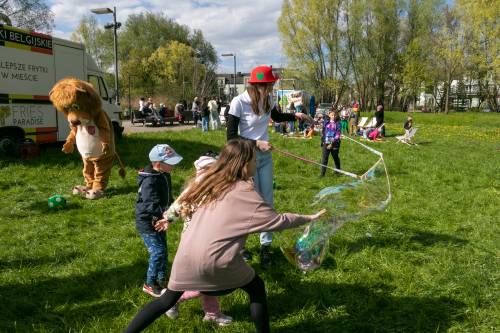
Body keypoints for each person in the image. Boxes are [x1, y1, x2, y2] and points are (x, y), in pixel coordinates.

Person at [124, 139, 326, 333]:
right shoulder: (245, 191)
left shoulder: (208, 181)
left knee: (165, 300)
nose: (257, 164)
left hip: (185, 257)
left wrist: (168, 217)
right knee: (257, 288)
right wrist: (309, 217)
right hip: (218, 261)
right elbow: (278, 221)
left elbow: (181, 203)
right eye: (255, 160)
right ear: (244, 164)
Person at [226, 65, 312, 267]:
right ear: (259, 85)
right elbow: (231, 137)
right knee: (246, 203)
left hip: (265, 158)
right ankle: (241, 247)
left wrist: (296, 116)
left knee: (267, 202)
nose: (272, 88)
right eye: (270, 85)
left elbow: (277, 117)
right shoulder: (238, 102)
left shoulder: (268, 99)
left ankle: (266, 246)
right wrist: (256, 143)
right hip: (245, 158)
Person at [162, 153, 232, 325]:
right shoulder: (205, 190)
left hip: (202, 243)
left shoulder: (205, 189)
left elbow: (176, 206)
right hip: (201, 245)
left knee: (210, 280)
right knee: (208, 282)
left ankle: (211, 313)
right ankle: (172, 300)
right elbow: (178, 206)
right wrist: (168, 218)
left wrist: (168, 218)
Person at [135, 144, 183, 297]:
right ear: (158, 164)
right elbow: (151, 205)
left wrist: (174, 206)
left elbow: (167, 197)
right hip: (148, 222)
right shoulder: (149, 181)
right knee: (158, 251)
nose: (174, 165)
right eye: (171, 163)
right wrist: (167, 213)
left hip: (160, 219)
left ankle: (162, 278)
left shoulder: (164, 174)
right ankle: (150, 283)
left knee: (163, 249)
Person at [320, 110, 341, 176]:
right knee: (324, 158)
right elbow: (323, 132)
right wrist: (323, 141)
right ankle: (322, 174)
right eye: (332, 115)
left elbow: (337, 134)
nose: (333, 116)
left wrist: (331, 143)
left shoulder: (338, 123)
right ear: (329, 115)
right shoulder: (326, 122)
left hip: (334, 143)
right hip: (326, 143)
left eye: (335, 115)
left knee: (335, 157)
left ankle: (338, 171)